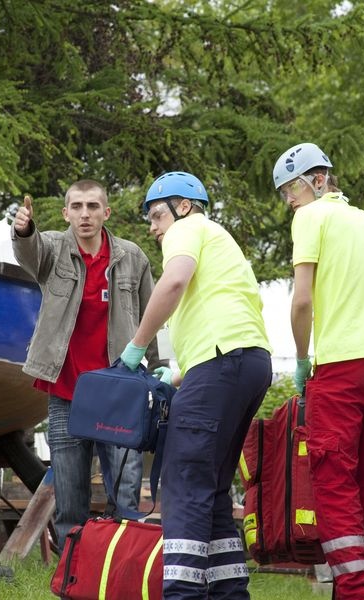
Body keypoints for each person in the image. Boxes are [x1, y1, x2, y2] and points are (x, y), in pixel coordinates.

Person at [118, 171, 272, 600]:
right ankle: (228, 593)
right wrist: (180, 374)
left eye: (155, 215)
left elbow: (174, 281)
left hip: (222, 367)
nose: (152, 227)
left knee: (184, 479)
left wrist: (137, 347)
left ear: (182, 206)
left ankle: (183, 594)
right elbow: (228, 327)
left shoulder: (187, 229)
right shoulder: (223, 243)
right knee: (213, 486)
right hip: (248, 363)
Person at [273, 142, 364, 600]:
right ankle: (358, 577)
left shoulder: (311, 218)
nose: (287, 201)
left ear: (316, 179)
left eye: (289, 189)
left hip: (341, 367)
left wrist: (300, 356)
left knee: (331, 476)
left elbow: (303, 298)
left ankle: (353, 590)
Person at [11, 180, 165, 546]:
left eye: (93, 206)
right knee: (70, 496)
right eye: (77, 206)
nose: (85, 214)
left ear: (106, 212)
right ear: (65, 213)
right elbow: (29, 254)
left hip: (120, 393)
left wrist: (158, 369)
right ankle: (72, 570)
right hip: (67, 392)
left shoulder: (133, 257)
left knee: (125, 493)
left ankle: (120, 562)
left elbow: (151, 316)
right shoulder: (51, 248)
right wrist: (24, 230)